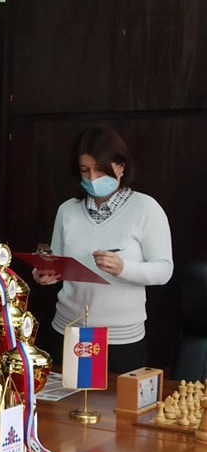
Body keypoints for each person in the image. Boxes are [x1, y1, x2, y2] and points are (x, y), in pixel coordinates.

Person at [31, 125, 173, 374]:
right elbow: (58, 264)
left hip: (121, 338)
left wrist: (123, 268)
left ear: (120, 167)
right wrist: (46, 274)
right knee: (65, 398)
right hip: (69, 330)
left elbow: (164, 270)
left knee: (115, 400)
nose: (92, 178)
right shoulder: (68, 210)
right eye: (84, 170)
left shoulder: (145, 208)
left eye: (100, 169)